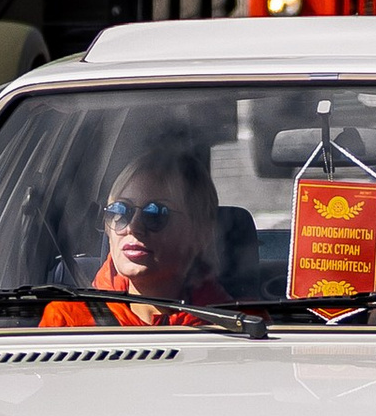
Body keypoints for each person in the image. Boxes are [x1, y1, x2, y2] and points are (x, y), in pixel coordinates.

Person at [41, 126, 237, 327]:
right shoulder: (67, 321)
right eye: (120, 211)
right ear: (107, 228)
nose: (133, 227)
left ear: (199, 233)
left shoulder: (243, 327)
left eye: (155, 214)